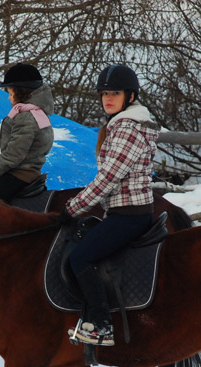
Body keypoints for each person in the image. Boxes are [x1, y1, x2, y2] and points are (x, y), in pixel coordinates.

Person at [60, 64, 159, 346]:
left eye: (114, 93)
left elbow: (108, 180)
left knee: (80, 258)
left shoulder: (127, 128)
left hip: (129, 214)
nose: (107, 98)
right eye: (104, 93)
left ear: (130, 96)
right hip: (122, 211)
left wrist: (71, 208)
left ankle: (102, 325)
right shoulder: (122, 124)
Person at [0, 62, 54, 202]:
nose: (9, 98)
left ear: (21, 92)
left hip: (20, 174)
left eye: (11, 93)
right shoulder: (38, 113)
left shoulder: (27, 116)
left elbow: (13, 155)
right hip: (25, 171)